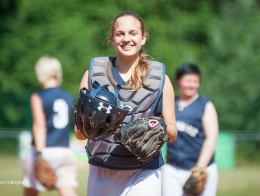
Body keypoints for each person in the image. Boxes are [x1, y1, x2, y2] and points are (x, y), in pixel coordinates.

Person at [74, 11, 177, 196]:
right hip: (102, 171)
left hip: (143, 172)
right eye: (120, 34)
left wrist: (157, 128)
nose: (126, 39)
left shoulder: (160, 79)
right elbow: (79, 134)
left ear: (143, 38)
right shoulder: (93, 75)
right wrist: (92, 127)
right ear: (112, 39)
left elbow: (173, 132)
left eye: (133, 33)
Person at [23, 55, 78, 196]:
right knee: (68, 191)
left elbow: (40, 125)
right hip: (64, 150)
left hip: (43, 149)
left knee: (30, 191)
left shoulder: (37, 96)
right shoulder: (68, 97)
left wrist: (40, 154)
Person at [162, 63, 219, 196]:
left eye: (195, 81)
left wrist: (199, 168)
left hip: (200, 169)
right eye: (188, 81)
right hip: (173, 168)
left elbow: (211, 138)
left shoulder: (205, 105)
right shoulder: (171, 104)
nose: (192, 85)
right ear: (178, 81)